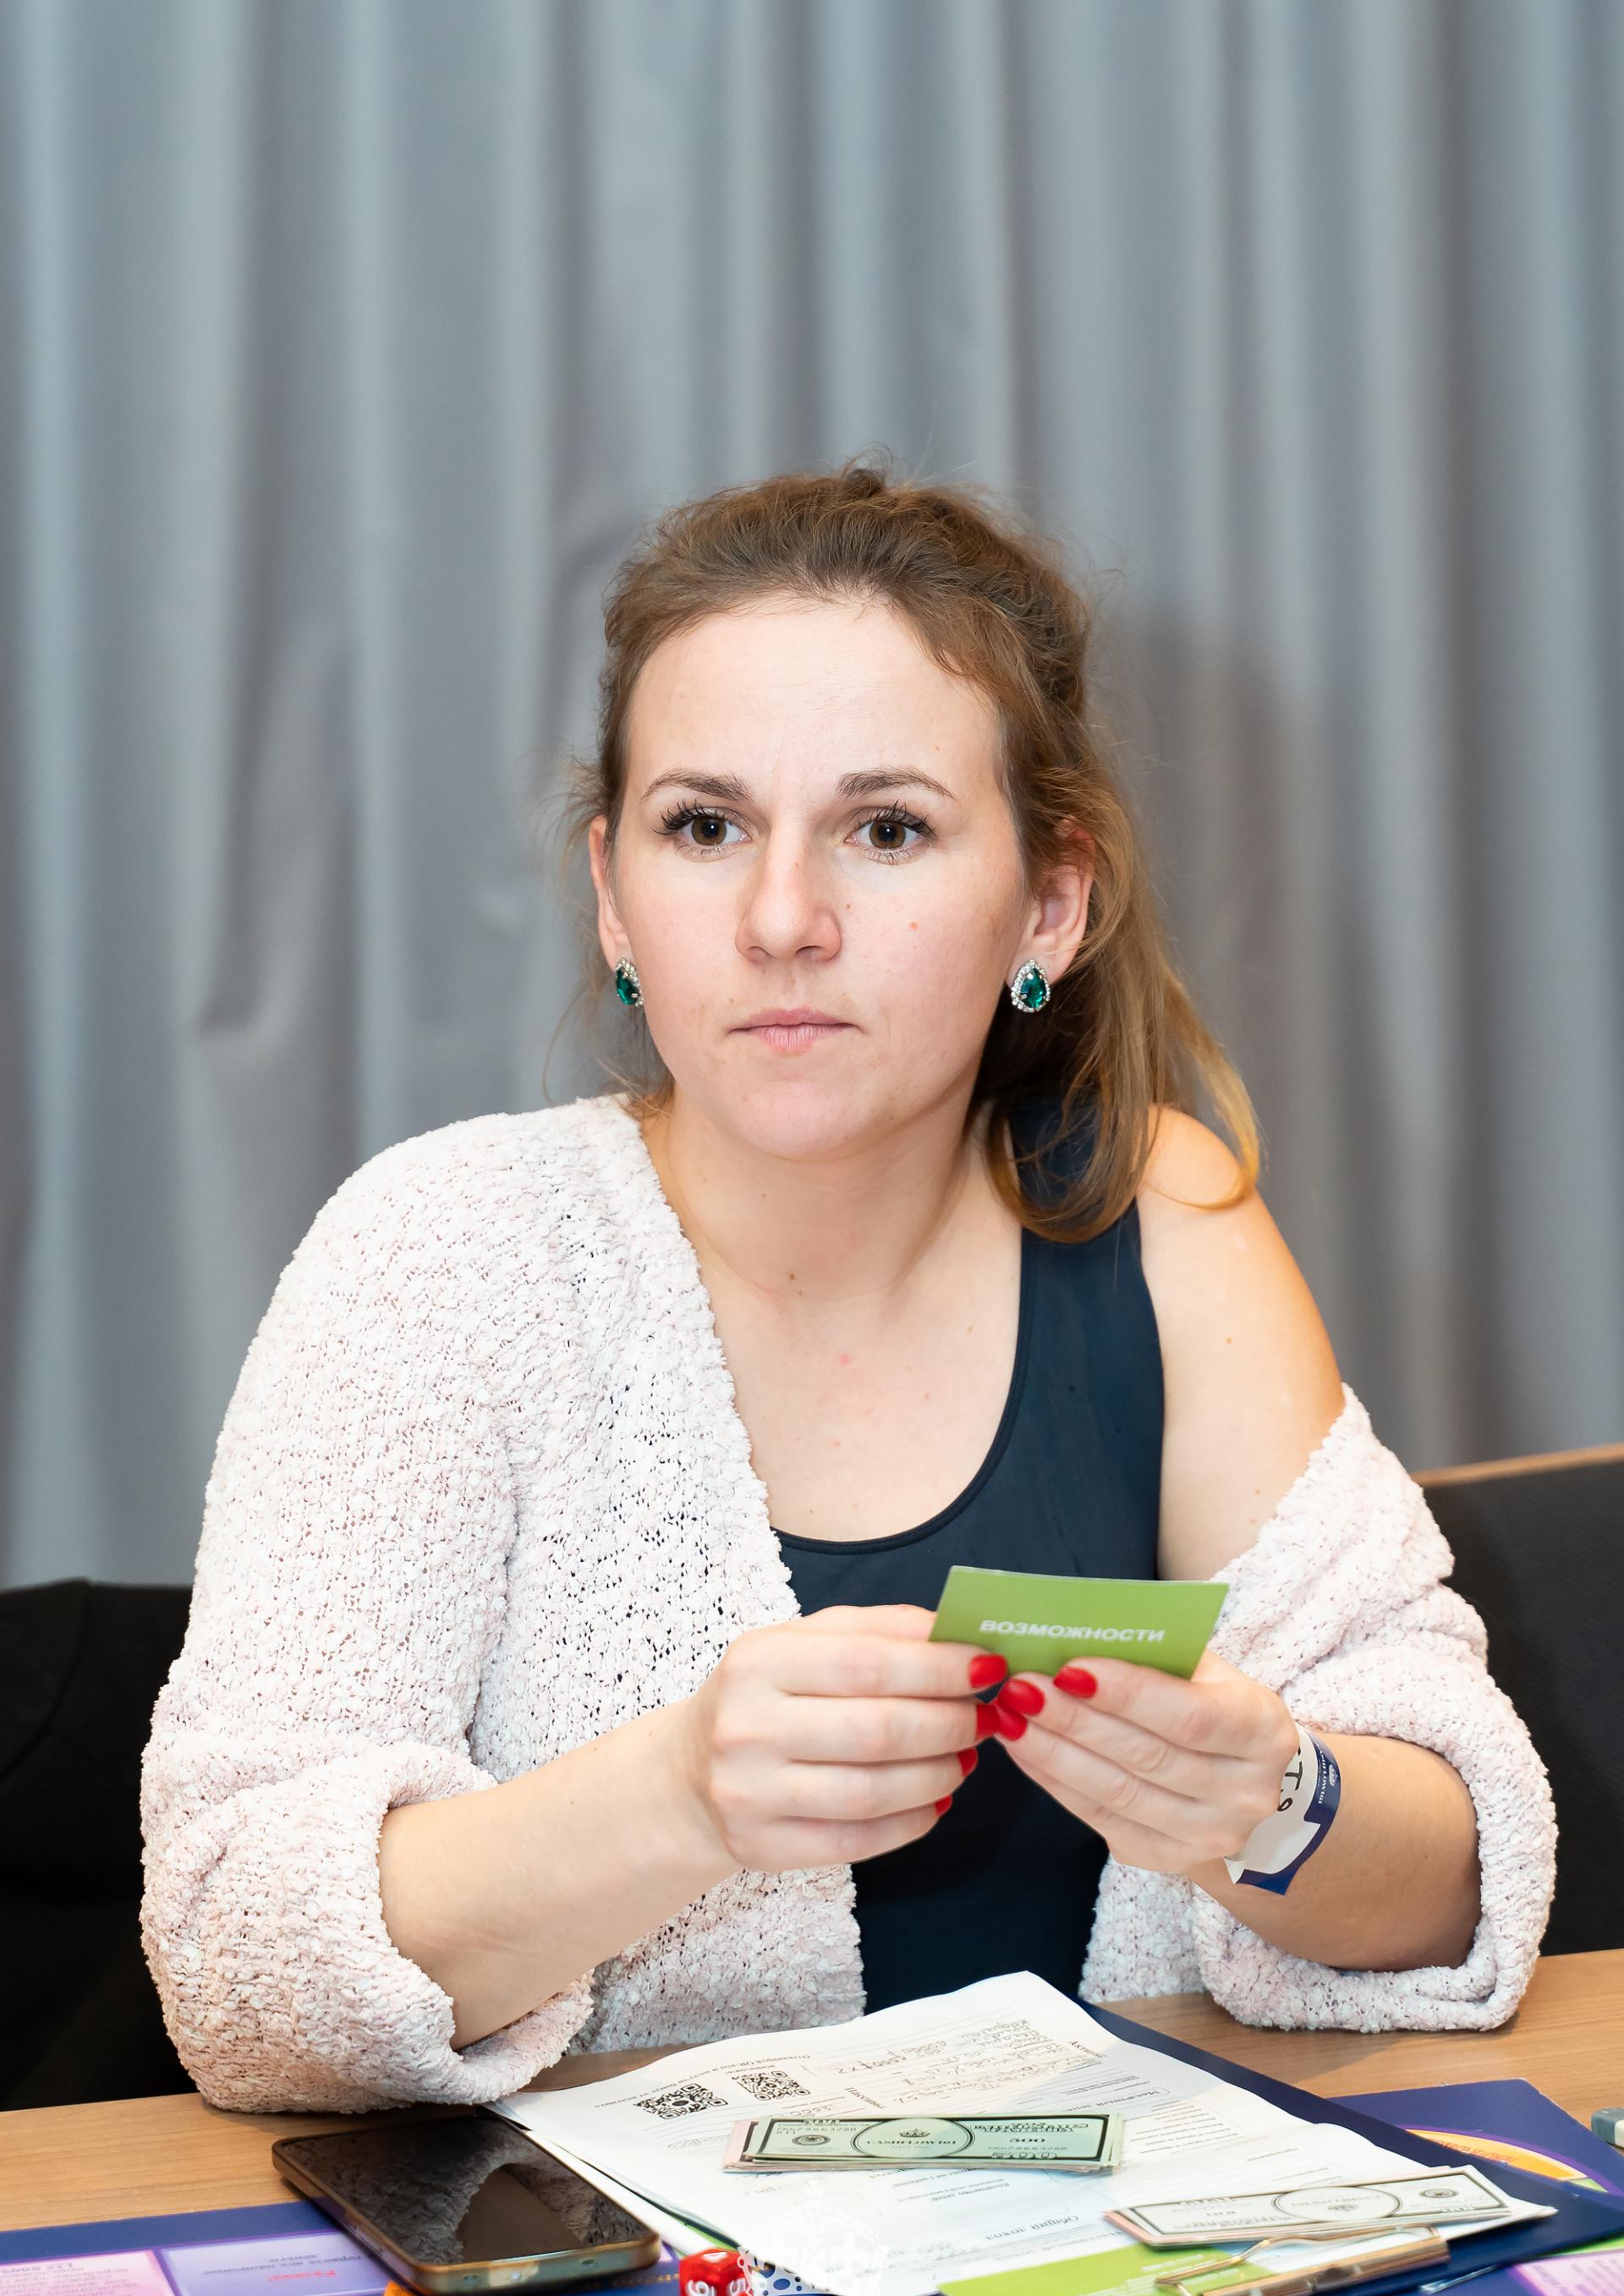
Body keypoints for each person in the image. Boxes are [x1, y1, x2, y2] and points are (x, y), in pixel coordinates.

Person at [140, 464, 1554, 2112]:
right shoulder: (438, 1253)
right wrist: (674, 1799)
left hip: (1117, 2254)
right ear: (612, 895)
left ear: (1050, 904)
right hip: (615, 2275)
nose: (783, 919)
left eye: (886, 830)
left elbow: (1456, 1878)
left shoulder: (1159, 1212)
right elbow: (232, 1965)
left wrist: (1279, 1801)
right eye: (705, 827)